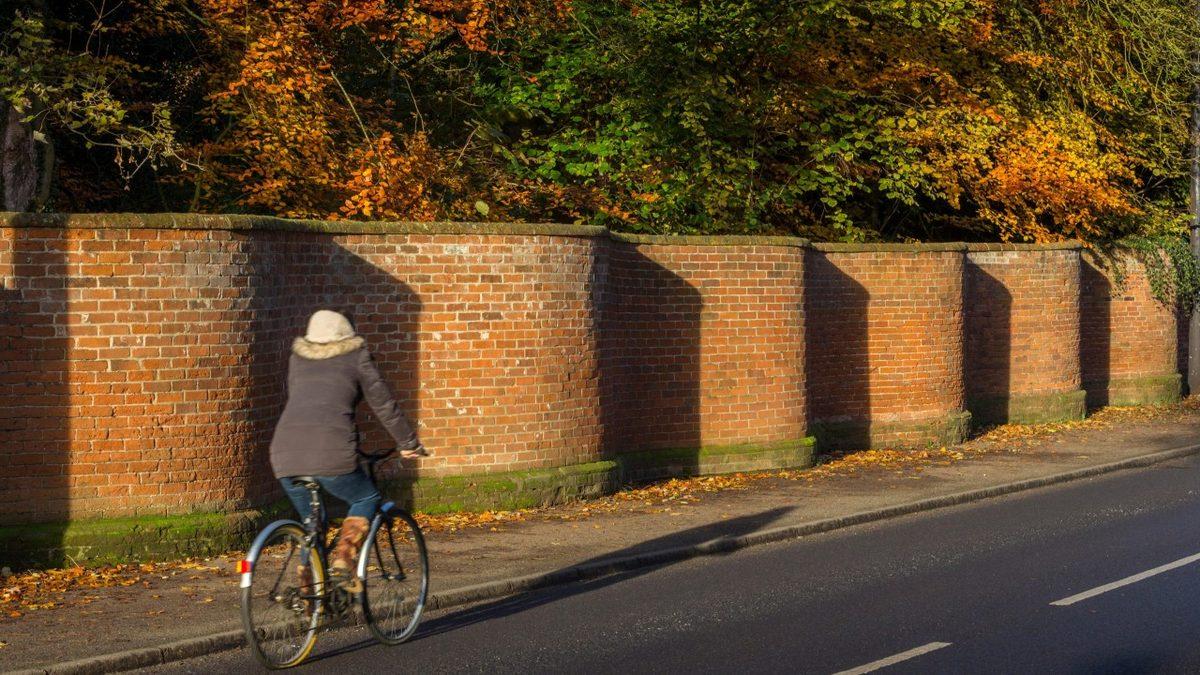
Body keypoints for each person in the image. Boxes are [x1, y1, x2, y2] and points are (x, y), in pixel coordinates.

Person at [269, 309, 426, 592]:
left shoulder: (298, 358)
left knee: (312, 524)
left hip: (284, 453)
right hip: (331, 452)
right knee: (367, 496)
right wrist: (409, 444)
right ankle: (344, 559)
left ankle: (310, 592)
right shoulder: (356, 356)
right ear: (348, 331)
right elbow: (384, 405)